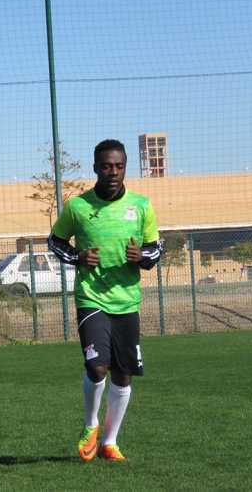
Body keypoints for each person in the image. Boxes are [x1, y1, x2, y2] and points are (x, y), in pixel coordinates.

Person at [48, 139, 162, 462]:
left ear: (125, 167)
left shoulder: (141, 206)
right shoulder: (78, 207)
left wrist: (142, 256)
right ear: (95, 167)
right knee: (98, 366)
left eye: (119, 166)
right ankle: (90, 424)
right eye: (106, 166)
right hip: (92, 298)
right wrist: (78, 257)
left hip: (127, 302)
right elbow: (55, 241)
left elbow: (156, 249)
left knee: (123, 374)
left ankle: (109, 443)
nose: (113, 172)